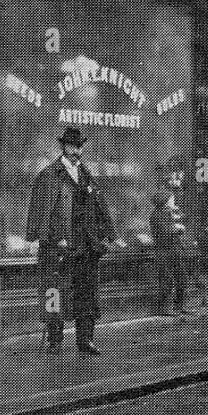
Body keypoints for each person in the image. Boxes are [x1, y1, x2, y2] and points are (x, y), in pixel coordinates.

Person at [26, 127, 120, 354]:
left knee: (87, 293)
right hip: (60, 245)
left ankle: (85, 340)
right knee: (55, 292)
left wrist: (110, 234)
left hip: (86, 247)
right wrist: (40, 237)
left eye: (79, 146)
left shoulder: (86, 175)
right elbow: (40, 210)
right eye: (72, 146)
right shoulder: (49, 175)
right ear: (63, 147)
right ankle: (54, 340)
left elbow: (100, 207)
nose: (76, 151)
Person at [150, 190, 188, 316]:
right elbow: (164, 232)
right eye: (171, 199)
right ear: (165, 201)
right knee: (166, 280)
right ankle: (165, 309)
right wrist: (177, 229)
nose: (173, 201)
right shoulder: (155, 215)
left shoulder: (168, 213)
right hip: (164, 251)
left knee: (182, 278)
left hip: (174, 250)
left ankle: (179, 306)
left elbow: (172, 228)